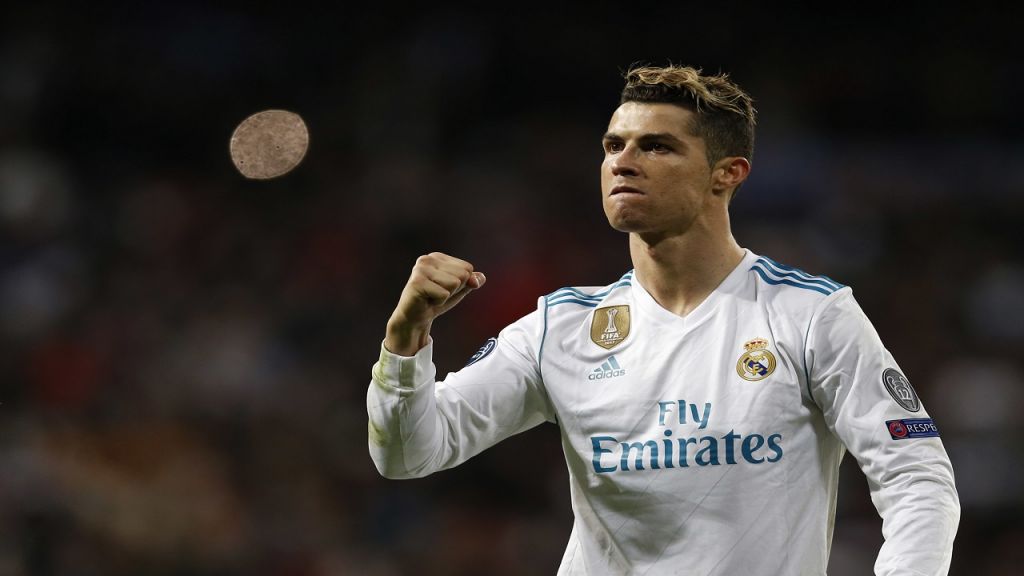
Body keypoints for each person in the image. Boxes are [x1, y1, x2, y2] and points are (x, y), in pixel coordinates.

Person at [367, 65, 960, 575]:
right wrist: (405, 339)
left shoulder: (809, 316)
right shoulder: (562, 328)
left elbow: (918, 480)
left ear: (728, 173)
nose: (624, 161)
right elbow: (410, 453)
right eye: (612, 146)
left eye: (656, 146)